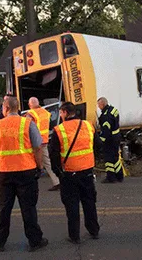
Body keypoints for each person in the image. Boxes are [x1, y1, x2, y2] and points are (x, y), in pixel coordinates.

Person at [0, 96, 48, 252]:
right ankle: (35, 240)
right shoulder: (27, 123)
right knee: (28, 208)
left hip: (4, 172)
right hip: (26, 171)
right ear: (17, 108)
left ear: (5, 108)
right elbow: (38, 147)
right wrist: (39, 166)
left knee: (4, 208)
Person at [49, 102, 101, 244]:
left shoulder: (59, 130)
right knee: (89, 201)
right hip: (87, 171)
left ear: (65, 112)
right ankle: (94, 230)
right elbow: (97, 146)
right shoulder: (88, 125)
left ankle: (74, 236)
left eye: (60, 112)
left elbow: (53, 154)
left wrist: (58, 172)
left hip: (69, 173)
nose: (60, 115)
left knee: (72, 205)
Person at [26, 97, 60, 191]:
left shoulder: (31, 114)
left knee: (29, 161)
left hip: (34, 142)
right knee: (47, 162)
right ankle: (57, 181)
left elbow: (26, 127)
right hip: (44, 140)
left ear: (30, 105)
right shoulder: (45, 112)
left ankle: (29, 183)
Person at [97, 97, 123, 183]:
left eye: (99, 105)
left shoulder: (105, 116)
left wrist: (100, 141)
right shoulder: (113, 110)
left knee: (108, 159)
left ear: (102, 104)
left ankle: (110, 177)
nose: (98, 107)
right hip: (117, 137)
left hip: (110, 139)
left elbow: (106, 130)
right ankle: (119, 176)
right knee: (115, 157)